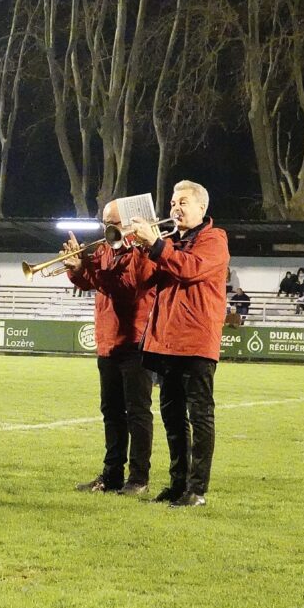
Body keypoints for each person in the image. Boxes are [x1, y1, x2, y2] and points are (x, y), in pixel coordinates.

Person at [130, 180, 229, 507]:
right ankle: (176, 485)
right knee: (172, 418)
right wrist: (139, 250)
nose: (175, 208)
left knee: (199, 416)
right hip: (166, 341)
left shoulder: (214, 239)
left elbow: (191, 270)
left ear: (202, 208)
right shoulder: (171, 241)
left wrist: (156, 245)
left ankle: (197, 489)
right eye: (173, 202)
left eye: (183, 202)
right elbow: (144, 282)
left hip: (196, 341)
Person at [62, 200, 155, 495]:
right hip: (108, 339)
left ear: (128, 222)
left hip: (135, 340)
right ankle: (111, 475)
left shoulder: (142, 252)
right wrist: (78, 268)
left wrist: (92, 268)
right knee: (111, 412)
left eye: (112, 222)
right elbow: (92, 284)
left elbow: (126, 288)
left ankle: (138, 478)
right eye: (104, 223)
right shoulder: (104, 250)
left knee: (138, 411)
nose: (106, 229)